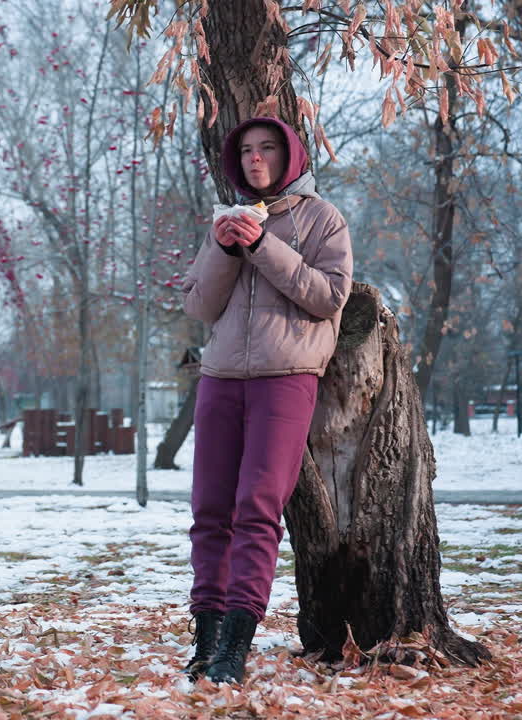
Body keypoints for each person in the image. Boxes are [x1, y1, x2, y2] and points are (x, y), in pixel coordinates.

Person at [178, 117, 353, 684]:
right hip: (221, 375)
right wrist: (227, 248)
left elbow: (329, 297)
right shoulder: (225, 220)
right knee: (209, 510)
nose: (255, 159)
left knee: (256, 509)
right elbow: (200, 307)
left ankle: (235, 645)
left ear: (289, 155)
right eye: (247, 151)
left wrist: (263, 245)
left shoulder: (321, 218)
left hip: (288, 375)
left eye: (267, 149)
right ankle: (205, 642)